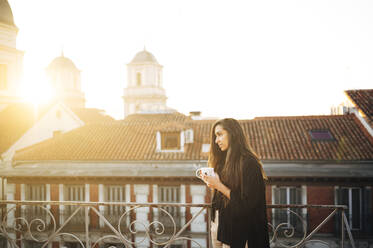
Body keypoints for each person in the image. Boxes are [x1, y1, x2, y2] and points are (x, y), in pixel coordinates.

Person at [201, 118, 270, 248]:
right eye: (215, 137)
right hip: (219, 225)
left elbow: (247, 205)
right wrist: (213, 184)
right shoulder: (222, 162)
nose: (216, 141)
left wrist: (219, 186)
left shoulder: (249, 163)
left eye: (220, 135)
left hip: (240, 231)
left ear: (233, 134)